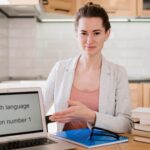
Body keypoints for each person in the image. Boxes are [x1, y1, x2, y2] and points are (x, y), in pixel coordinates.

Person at [43, 2, 132, 133]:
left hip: (102, 145)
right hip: (66, 145)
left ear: (106, 34)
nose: (89, 40)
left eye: (96, 33)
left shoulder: (118, 73)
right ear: (76, 34)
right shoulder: (60, 69)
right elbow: (39, 110)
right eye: (84, 33)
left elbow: (125, 124)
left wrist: (89, 115)